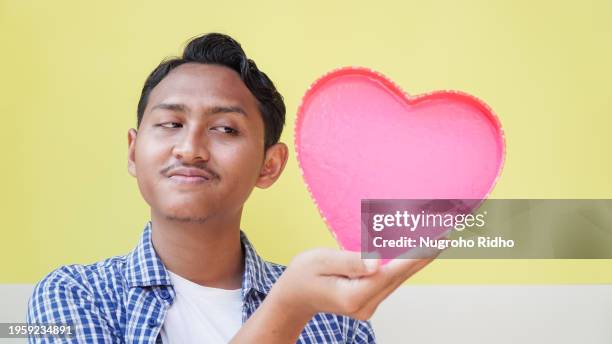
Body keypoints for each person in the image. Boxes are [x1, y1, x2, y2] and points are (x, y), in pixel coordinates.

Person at [27, 33, 438, 343]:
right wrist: (288, 307)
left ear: (269, 165)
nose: (190, 149)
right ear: (134, 152)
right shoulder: (69, 296)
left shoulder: (336, 320)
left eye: (224, 129)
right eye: (171, 124)